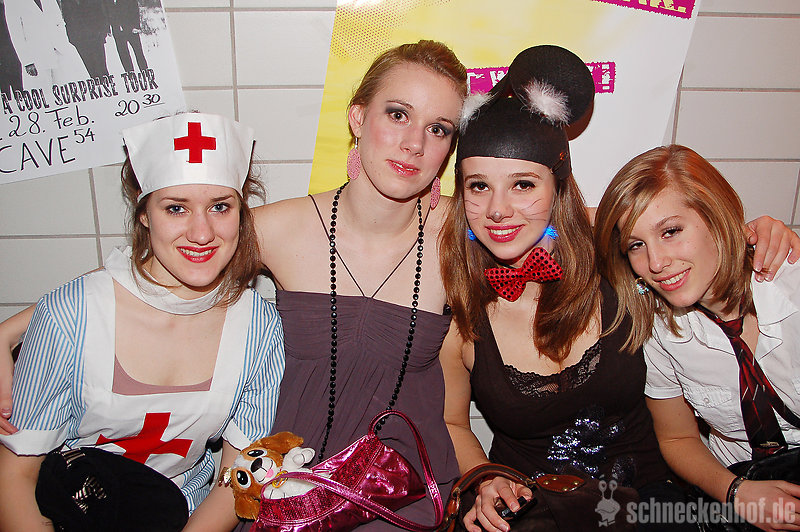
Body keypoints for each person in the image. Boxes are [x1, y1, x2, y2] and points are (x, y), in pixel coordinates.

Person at [438, 44, 697, 532]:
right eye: (478, 186)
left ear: (557, 187)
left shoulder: (619, 257)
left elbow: (692, 238)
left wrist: (758, 235)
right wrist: (484, 477)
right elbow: (453, 422)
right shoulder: (460, 310)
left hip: (650, 503)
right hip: (530, 510)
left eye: (523, 184)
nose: (497, 209)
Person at [0, 112, 285, 531]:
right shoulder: (71, 314)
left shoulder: (259, 326)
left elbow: (238, 474)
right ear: (144, 213)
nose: (202, 233)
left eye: (220, 207)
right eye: (176, 208)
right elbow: (15, 475)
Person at [594, 144, 800, 532]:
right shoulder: (658, 329)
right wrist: (738, 493)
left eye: (671, 231)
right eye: (637, 245)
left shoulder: (792, 288)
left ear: (716, 216)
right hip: (736, 494)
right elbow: (677, 439)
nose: (656, 263)